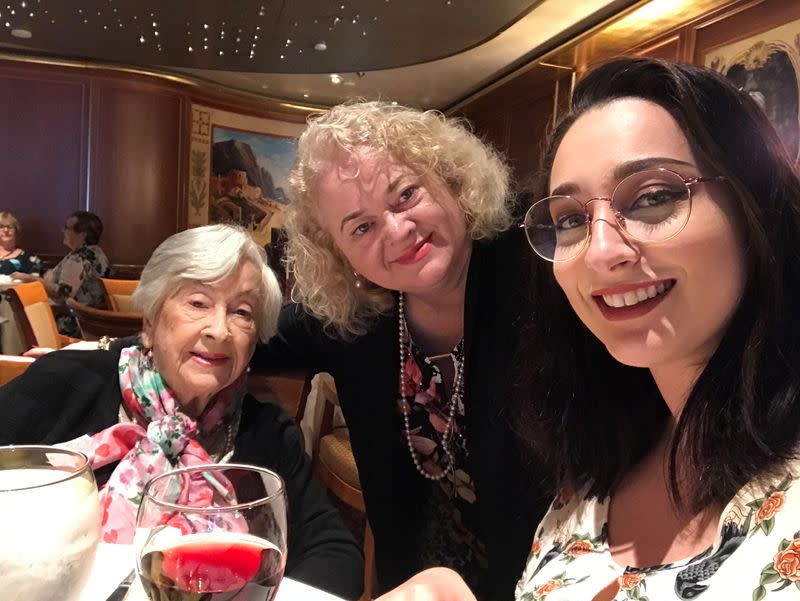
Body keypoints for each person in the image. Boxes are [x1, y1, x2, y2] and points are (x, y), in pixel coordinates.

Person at [378, 56, 800, 600]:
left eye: (652, 197)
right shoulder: (600, 458)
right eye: (571, 219)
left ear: (755, 208)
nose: (601, 252)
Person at [253, 101, 549, 600]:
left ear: (449, 178)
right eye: (361, 227)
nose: (397, 231)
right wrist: (124, 349)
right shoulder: (359, 313)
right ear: (337, 253)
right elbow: (244, 335)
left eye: (405, 195)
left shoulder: (539, 265)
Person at [0, 223, 364, 600]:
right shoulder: (66, 387)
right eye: (197, 303)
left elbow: (336, 557)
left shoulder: (266, 433)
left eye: (242, 312)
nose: (219, 330)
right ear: (149, 323)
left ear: (255, 341)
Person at [18, 210, 112, 336]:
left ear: (82, 235)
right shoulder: (97, 252)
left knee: (22, 321)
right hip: (94, 322)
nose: (63, 231)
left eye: (67, 228)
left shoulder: (79, 257)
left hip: (78, 324)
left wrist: (30, 279)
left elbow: (63, 293)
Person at [0, 211, 43, 278]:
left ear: (16, 230)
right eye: (1, 227)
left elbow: (36, 283)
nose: (6, 230)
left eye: (10, 227)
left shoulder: (30, 259)